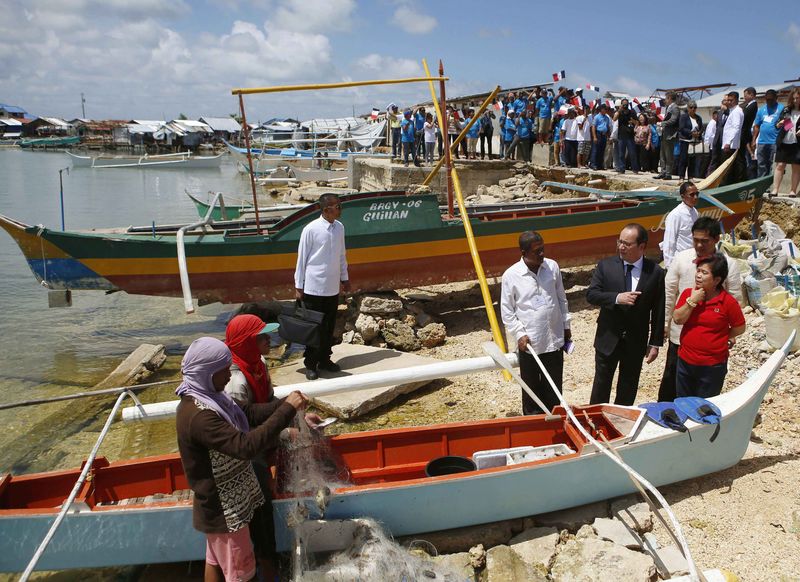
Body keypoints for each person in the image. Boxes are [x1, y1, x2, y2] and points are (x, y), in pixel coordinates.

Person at [175, 337, 307, 582]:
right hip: (225, 508)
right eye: (223, 371)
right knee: (241, 572)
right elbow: (245, 446)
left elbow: (248, 411)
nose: (228, 376)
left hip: (227, 501)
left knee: (215, 562)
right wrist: (287, 410)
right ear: (206, 373)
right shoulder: (199, 416)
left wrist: (285, 403)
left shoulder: (212, 398)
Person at [658, 217, 743, 401]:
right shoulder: (681, 259)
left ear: (716, 239)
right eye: (695, 239)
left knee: (705, 392)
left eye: (704, 241)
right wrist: (664, 323)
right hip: (680, 332)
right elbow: (669, 293)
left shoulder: (729, 264)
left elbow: (735, 299)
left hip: (712, 339)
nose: (699, 245)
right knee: (671, 381)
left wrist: (728, 335)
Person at [587, 224, 665, 405]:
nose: (621, 247)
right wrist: (616, 298)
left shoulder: (655, 272)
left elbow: (659, 309)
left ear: (642, 246)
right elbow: (591, 295)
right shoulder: (605, 266)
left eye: (627, 244)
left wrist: (655, 343)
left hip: (635, 341)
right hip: (608, 338)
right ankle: (594, 423)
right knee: (601, 385)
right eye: (620, 242)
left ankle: (622, 422)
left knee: (628, 386)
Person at [501, 231, 571, 415]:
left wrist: (566, 326)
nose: (542, 254)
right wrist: (519, 334)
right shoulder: (511, 275)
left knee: (554, 391)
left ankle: (555, 429)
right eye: (537, 251)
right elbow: (507, 311)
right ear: (524, 252)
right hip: (530, 344)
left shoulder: (552, 267)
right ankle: (533, 430)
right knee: (531, 393)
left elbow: (561, 299)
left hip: (554, 341)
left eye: (543, 249)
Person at [672, 254, 746, 397]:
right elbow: (677, 319)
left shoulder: (727, 302)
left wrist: (723, 335)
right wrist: (692, 301)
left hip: (712, 366)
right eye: (698, 270)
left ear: (717, 280)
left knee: (705, 408)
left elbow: (740, 327)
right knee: (683, 403)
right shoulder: (688, 293)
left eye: (704, 273)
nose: (698, 275)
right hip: (685, 361)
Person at [294, 193, 350, 380]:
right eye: (337, 206)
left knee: (329, 326)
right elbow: (302, 259)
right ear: (326, 210)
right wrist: (298, 285)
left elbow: (342, 255)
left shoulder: (340, 228)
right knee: (314, 328)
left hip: (332, 287)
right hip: (313, 287)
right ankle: (311, 363)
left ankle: (325, 359)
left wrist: (345, 278)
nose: (340, 209)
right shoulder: (311, 229)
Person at [225, 314, 278, 406]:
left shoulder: (259, 361)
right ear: (247, 342)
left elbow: (270, 399)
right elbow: (243, 418)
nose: (269, 338)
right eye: (261, 336)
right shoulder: (235, 383)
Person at [660, 181, 700, 268]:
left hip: (693, 259)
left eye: (697, 194)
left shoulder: (695, 212)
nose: (696, 197)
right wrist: (669, 267)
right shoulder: (675, 215)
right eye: (692, 195)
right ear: (682, 197)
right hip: (680, 261)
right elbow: (669, 242)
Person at [772, 87, 800, 197]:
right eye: (793, 98)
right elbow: (778, 123)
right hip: (784, 141)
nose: (795, 100)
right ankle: (775, 189)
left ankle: (792, 190)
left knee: (796, 167)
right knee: (780, 165)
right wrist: (779, 124)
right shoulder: (786, 110)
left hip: (797, 143)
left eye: (797, 98)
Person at [751, 89, 784, 179]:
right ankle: (761, 185)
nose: (769, 102)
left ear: (776, 98)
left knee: (772, 165)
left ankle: (771, 186)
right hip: (762, 142)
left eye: (771, 99)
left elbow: (788, 124)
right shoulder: (762, 110)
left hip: (775, 142)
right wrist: (754, 140)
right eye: (767, 100)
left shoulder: (782, 108)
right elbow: (756, 126)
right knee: (761, 165)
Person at [720, 91, 745, 185]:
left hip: (731, 145)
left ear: (736, 100)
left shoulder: (737, 112)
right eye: (728, 100)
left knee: (728, 169)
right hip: (729, 144)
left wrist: (728, 142)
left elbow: (736, 127)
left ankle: (726, 186)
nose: (729, 102)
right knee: (728, 169)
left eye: (731, 100)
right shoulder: (732, 111)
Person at [677, 101, 703, 180]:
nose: (693, 109)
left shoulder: (698, 118)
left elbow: (701, 128)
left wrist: (699, 133)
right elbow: (681, 128)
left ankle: (690, 176)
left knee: (693, 160)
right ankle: (681, 176)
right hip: (685, 140)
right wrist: (691, 133)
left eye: (695, 107)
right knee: (683, 159)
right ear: (688, 108)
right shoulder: (684, 117)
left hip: (694, 141)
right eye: (691, 107)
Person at [657, 91, 680, 179]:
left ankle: (668, 173)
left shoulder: (675, 108)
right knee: (662, 154)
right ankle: (663, 172)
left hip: (670, 134)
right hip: (665, 133)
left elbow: (674, 120)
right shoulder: (669, 107)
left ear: (670, 98)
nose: (665, 100)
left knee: (668, 154)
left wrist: (663, 123)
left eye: (666, 98)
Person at [614, 99, 639, 174]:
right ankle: (622, 169)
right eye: (623, 104)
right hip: (621, 136)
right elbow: (614, 119)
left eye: (626, 104)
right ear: (621, 104)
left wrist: (633, 121)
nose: (625, 106)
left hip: (630, 136)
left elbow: (637, 122)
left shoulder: (632, 112)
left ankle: (635, 169)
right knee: (621, 154)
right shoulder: (619, 112)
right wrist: (619, 110)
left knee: (632, 153)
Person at [741, 87, 759, 180]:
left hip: (750, 136)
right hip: (747, 136)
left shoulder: (752, 106)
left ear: (751, 95)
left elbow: (745, 118)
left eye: (746, 95)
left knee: (751, 161)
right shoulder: (747, 105)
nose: (744, 98)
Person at [591, 104, 611, 170]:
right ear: (601, 109)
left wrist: (608, 135)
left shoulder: (607, 118)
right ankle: (593, 164)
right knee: (596, 150)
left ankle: (600, 165)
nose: (606, 110)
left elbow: (607, 127)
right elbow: (593, 127)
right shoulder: (597, 117)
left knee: (602, 150)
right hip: (598, 133)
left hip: (604, 134)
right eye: (605, 109)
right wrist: (594, 137)